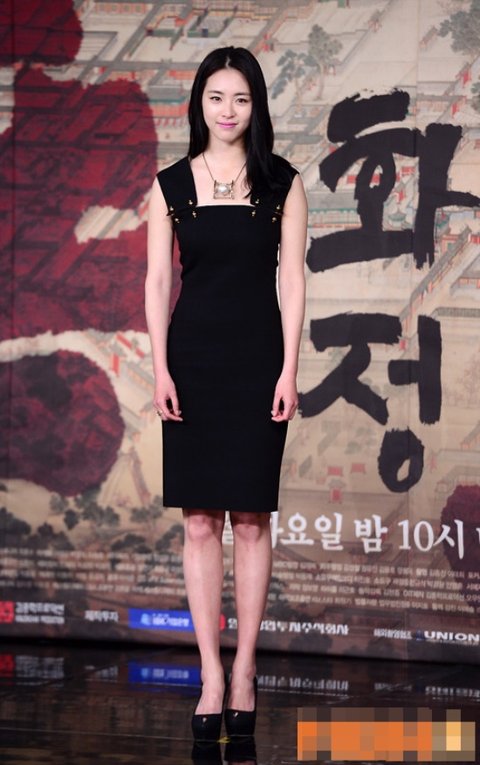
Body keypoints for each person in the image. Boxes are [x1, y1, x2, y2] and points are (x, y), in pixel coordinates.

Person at [145, 46, 307, 740]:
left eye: (241, 98)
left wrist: (289, 370)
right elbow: (157, 282)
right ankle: (211, 673)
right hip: (192, 362)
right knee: (199, 522)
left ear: (256, 105)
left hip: (259, 362)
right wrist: (160, 369)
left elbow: (293, 280)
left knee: (251, 519)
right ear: (200, 104)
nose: (228, 110)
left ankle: (245, 669)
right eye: (216, 97)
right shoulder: (170, 185)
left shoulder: (282, 184)